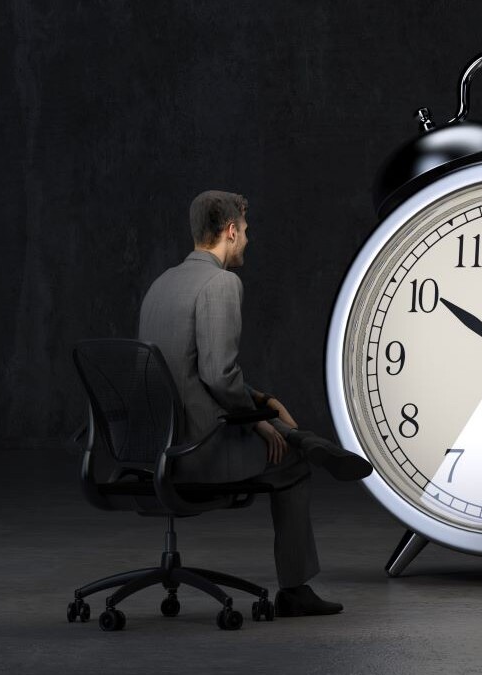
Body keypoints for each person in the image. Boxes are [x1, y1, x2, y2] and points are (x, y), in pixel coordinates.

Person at [138, 190, 371, 617]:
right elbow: (218, 375)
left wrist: (262, 401)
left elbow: (186, 372)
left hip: (155, 448)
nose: (248, 238)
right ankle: (295, 591)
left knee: (272, 417)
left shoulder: (160, 285)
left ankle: (304, 439)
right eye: (245, 230)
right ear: (230, 231)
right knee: (293, 464)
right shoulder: (221, 283)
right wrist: (257, 420)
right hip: (199, 450)